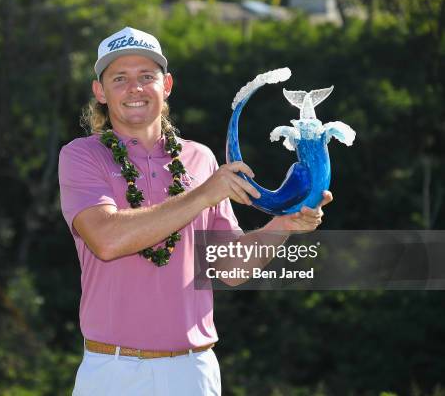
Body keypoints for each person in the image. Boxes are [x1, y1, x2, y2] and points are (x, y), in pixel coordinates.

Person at [58, 26, 332, 396]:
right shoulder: (81, 155)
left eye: (146, 77)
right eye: (119, 78)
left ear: (166, 85)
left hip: (193, 371)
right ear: (100, 91)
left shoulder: (200, 158)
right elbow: (107, 239)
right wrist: (205, 193)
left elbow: (230, 268)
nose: (135, 88)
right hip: (112, 371)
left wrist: (281, 226)